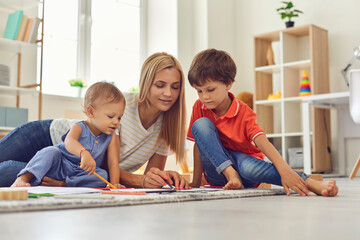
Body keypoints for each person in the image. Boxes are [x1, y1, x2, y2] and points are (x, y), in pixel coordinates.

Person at [0, 52, 189, 190]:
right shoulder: (122, 107)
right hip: (47, 136)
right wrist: (138, 181)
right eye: (160, 85)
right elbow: (109, 165)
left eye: (175, 87)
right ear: (146, 83)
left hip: (69, 168)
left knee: (10, 174)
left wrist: (164, 179)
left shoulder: (167, 129)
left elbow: (150, 177)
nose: (168, 93)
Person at [186, 48, 338, 197]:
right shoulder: (200, 107)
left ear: (228, 84)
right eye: (199, 91)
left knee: (246, 165)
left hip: (245, 172)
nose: (204, 97)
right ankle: (231, 174)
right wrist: (195, 182)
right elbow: (199, 146)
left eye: (210, 90)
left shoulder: (243, 112)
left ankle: (309, 183)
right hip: (218, 173)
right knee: (200, 125)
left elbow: (263, 143)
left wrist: (286, 171)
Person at [11, 82, 126, 188]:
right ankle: (22, 178)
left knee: (103, 175)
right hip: (60, 164)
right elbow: (69, 141)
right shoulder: (80, 127)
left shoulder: (111, 136)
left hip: (80, 173)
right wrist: (83, 153)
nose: (116, 122)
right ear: (91, 112)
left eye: (119, 117)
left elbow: (113, 162)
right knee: (51, 151)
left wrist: (115, 184)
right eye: (111, 116)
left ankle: (63, 184)